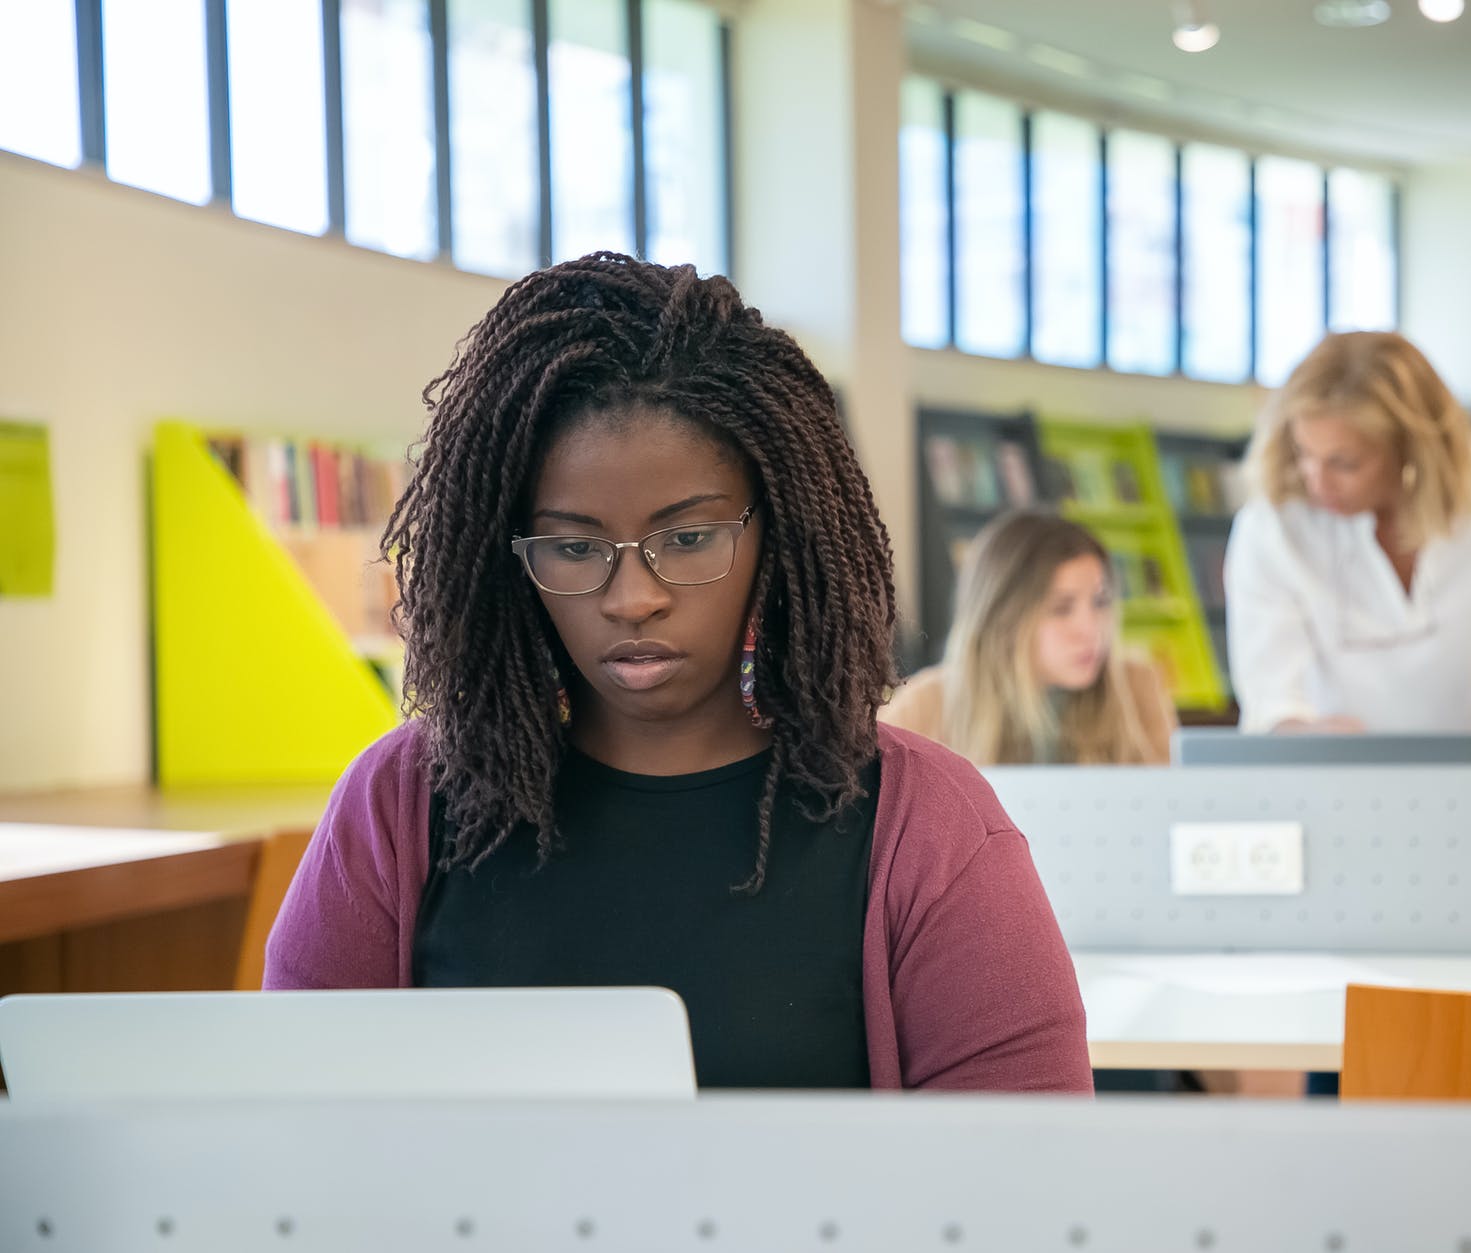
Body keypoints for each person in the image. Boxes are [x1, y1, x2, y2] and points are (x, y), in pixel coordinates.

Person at [265, 254, 1092, 1093]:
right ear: (508, 559)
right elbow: (292, 1149)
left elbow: (1032, 1191)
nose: (633, 597)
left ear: (780, 531)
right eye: (575, 547)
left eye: (690, 538)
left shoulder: (930, 829)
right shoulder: (397, 807)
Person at [1225, 331, 1471, 733]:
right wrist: (1302, 734)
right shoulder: (1273, 521)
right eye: (1303, 453)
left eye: (1344, 463)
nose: (1316, 481)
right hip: (1331, 784)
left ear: (1412, 451)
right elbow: (1271, 700)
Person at [881, 511, 1178, 765]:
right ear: (1004, 619)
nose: (1091, 629)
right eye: (1062, 609)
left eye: (1100, 602)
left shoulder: (1137, 684)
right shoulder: (927, 703)